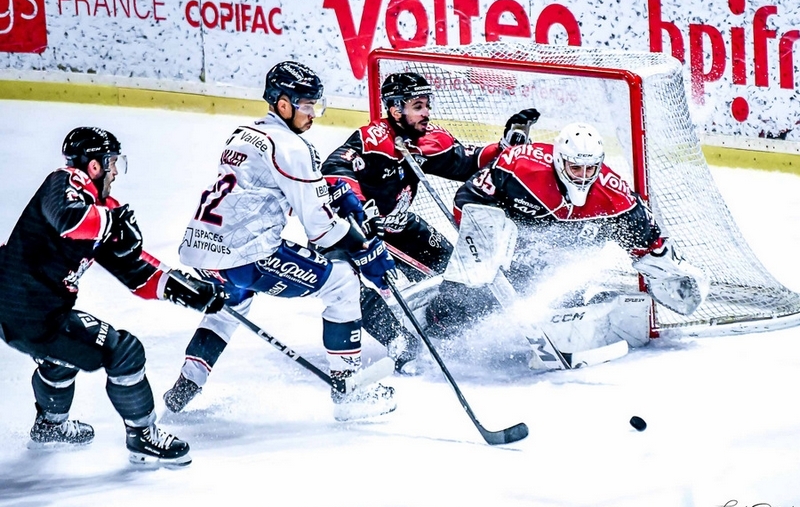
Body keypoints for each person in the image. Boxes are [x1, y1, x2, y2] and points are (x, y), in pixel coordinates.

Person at [163, 61, 397, 422]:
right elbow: (320, 229)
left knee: (229, 309)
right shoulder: (292, 147)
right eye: (306, 106)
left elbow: (264, 189)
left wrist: (328, 188)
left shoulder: (244, 134)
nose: (313, 115)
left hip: (202, 249)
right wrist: (363, 248)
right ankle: (352, 393)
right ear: (283, 104)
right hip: (246, 255)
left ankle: (187, 384)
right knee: (341, 283)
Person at [0, 127, 227, 466]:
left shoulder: (102, 208)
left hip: (31, 312)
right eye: (112, 162)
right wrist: (110, 221)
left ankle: (50, 426)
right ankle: (143, 436)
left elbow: (134, 271)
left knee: (63, 353)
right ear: (94, 165)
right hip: (27, 309)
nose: (116, 171)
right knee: (124, 351)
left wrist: (184, 289)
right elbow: (68, 219)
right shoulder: (64, 180)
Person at [321, 71, 541, 372]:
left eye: (427, 104)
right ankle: (398, 341)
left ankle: (448, 324)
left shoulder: (428, 139)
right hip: (348, 233)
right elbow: (335, 168)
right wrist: (360, 211)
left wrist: (505, 147)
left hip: (399, 225)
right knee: (352, 292)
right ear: (396, 108)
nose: (426, 112)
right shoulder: (373, 139)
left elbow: (469, 162)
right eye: (418, 106)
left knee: (457, 274)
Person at [426, 122, 708, 337]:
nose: (584, 176)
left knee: (560, 320)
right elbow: (468, 198)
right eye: (576, 168)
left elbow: (649, 243)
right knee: (457, 309)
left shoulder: (615, 196)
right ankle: (437, 324)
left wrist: (673, 273)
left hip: (555, 266)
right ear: (559, 160)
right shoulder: (518, 166)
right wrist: (488, 244)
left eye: (590, 169)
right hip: (506, 253)